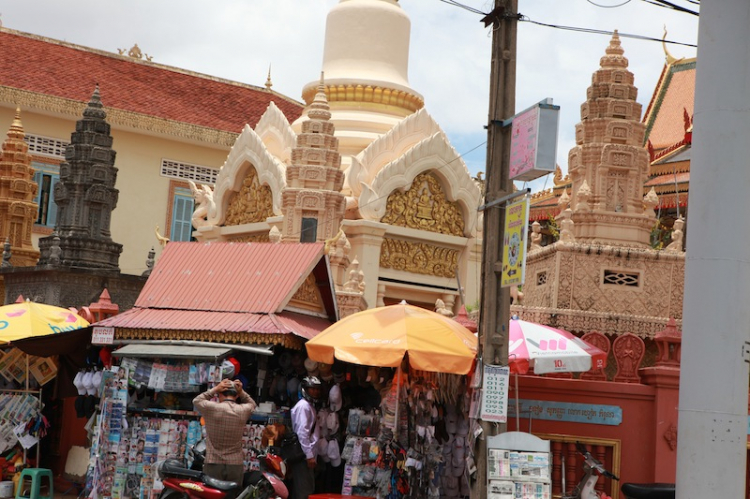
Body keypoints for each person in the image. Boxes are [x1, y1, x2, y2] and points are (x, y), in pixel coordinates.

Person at [193, 378, 257, 486]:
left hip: (213, 463)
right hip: (235, 464)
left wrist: (215, 389)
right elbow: (253, 404)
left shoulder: (212, 408)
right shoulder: (243, 410)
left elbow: (196, 401)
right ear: (236, 396)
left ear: (219, 395)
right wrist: (241, 392)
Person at [289, 376, 322, 499]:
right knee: (304, 491)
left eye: (317, 389)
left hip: (306, 455)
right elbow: (302, 433)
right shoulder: (303, 406)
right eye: (312, 389)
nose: (315, 392)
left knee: (304, 489)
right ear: (305, 389)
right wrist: (309, 455)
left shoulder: (309, 406)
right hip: (303, 456)